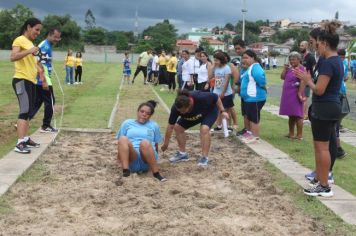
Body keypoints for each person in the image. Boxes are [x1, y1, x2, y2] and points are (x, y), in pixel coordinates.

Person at [295, 21, 343, 197]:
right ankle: (321, 180)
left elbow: (319, 89)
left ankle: (323, 185)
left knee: (321, 148)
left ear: (324, 43)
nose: (315, 47)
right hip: (331, 107)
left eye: (317, 44)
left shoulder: (328, 63)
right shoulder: (336, 60)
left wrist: (307, 80)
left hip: (325, 107)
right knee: (323, 146)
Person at [161, 90, 229, 166]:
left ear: (190, 104)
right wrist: (166, 143)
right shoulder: (176, 108)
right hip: (194, 115)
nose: (181, 113)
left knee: (204, 129)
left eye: (183, 111)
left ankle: (204, 157)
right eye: (179, 111)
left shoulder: (200, 97)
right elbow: (170, 126)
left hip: (209, 111)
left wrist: (223, 111)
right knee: (178, 127)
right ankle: (182, 154)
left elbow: (216, 97)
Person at [10, 18, 43, 153]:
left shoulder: (30, 43)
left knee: (29, 111)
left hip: (31, 81)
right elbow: (13, 57)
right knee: (24, 110)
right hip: (20, 80)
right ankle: (19, 143)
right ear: (28, 27)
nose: (38, 32)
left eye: (39, 30)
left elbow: (31, 61)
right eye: (36, 29)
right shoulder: (19, 40)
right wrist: (30, 51)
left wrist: (39, 69)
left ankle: (25, 138)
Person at [117, 100, 166, 182]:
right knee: (123, 138)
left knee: (145, 142)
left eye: (147, 113)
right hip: (132, 158)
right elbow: (120, 144)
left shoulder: (154, 125)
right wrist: (119, 158)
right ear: (137, 111)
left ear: (150, 116)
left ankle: (156, 173)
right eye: (142, 111)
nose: (144, 114)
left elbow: (156, 144)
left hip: (147, 159)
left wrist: (155, 160)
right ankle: (126, 171)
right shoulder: (127, 123)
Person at [29, 28, 61, 133]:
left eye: (59, 37)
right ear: (49, 35)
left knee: (38, 102)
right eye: (55, 37)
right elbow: (36, 62)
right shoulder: (44, 45)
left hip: (43, 78)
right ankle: (45, 126)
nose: (57, 39)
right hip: (43, 79)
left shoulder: (48, 45)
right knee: (50, 101)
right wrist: (43, 80)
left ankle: (23, 120)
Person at [239, 50, 267, 144]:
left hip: (255, 98)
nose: (244, 60)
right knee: (250, 117)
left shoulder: (255, 67)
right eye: (243, 57)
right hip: (249, 98)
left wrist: (264, 86)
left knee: (254, 119)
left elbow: (261, 80)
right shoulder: (250, 67)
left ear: (253, 58)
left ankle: (255, 137)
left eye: (246, 57)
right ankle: (251, 136)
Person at [279, 52, 306, 140]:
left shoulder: (301, 68)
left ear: (299, 59)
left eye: (293, 59)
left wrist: (300, 93)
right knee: (291, 115)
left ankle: (299, 135)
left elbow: (303, 81)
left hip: (296, 94)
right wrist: (285, 69)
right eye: (290, 59)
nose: (291, 61)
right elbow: (282, 77)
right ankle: (291, 133)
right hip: (288, 95)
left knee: (298, 115)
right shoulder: (290, 68)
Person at [209, 52, 235, 131]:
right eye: (214, 60)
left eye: (216, 60)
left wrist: (223, 92)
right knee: (217, 110)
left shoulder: (226, 68)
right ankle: (219, 126)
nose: (215, 62)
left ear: (221, 60)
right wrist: (212, 67)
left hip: (226, 93)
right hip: (216, 91)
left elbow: (227, 81)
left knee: (226, 110)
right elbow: (209, 77)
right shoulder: (216, 67)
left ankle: (226, 127)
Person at [233, 39, 249, 136]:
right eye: (236, 49)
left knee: (248, 112)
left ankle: (248, 130)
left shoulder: (248, 58)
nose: (237, 51)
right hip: (242, 89)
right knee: (245, 111)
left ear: (244, 47)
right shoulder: (241, 60)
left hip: (249, 90)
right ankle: (246, 128)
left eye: (239, 48)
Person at [335, 49, 348, 159]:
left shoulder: (339, 64)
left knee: (335, 124)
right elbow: (345, 78)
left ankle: (338, 148)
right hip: (340, 93)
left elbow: (345, 78)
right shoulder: (342, 64)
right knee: (336, 124)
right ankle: (338, 148)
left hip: (338, 94)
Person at [300, 41, 316, 120]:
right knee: (302, 96)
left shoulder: (311, 57)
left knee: (305, 97)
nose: (300, 47)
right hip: (302, 80)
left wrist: (312, 79)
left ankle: (304, 115)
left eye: (302, 45)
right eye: (300, 45)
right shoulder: (303, 57)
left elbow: (314, 68)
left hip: (307, 80)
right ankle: (302, 113)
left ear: (306, 46)